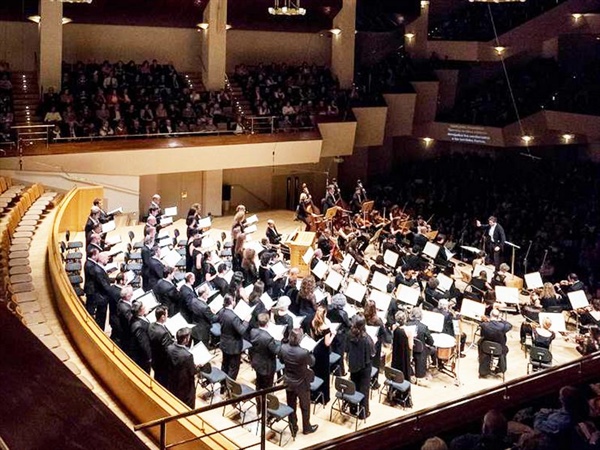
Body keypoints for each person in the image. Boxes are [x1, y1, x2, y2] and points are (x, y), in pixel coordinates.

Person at [279, 328, 318, 436]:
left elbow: (281, 360)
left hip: (289, 381)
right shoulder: (304, 352)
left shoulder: (283, 348)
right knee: (305, 406)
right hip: (302, 383)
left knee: (291, 406)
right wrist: (310, 351)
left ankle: (293, 428)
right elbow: (312, 362)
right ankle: (307, 427)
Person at [249, 313, 281, 407]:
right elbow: (276, 351)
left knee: (259, 385)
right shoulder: (268, 338)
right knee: (268, 388)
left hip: (256, 362)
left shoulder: (253, 331)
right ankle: (266, 408)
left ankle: (259, 405)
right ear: (267, 323)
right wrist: (278, 341)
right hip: (267, 366)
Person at [347, 313, 374, 419]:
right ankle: (363, 413)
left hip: (353, 365)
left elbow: (347, 349)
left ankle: (353, 409)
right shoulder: (367, 339)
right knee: (364, 390)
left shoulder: (350, 334)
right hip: (364, 368)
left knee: (354, 386)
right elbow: (372, 353)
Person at [218, 294, 249, 385]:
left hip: (224, 343)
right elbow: (242, 331)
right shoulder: (233, 317)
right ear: (232, 302)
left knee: (225, 365)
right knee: (233, 368)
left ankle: (222, 386)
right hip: (233, 347)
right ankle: (230, 387)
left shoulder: (221, 311)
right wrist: (246, 321)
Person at [307, 304, 334, 405]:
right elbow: (327, 343)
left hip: (315, 350)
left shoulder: (312, 322)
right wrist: (333, 335)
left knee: (315, 371)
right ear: (325, 314)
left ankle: (314, 394)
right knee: (324, 374)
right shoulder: (325, 327)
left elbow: (313, 336)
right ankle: (324, 398)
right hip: (323, 352)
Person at [166, 327, 196, 409]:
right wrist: (197, 366)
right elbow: (192, 372)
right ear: (185, 339)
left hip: (172, 379)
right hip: (185, 385)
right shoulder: (188, 355)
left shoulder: (169, 348)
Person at [478, 308, 512, 378]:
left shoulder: (485, 325)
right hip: (499, 348)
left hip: (486, 347)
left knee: (480, 344)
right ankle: (500, 369)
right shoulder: (503, 326)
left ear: (490, 315)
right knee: (505, 350)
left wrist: (486, 320)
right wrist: (502, 320)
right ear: (498, 316)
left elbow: (481, 328)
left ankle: (483, 369)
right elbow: (510, 325)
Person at [83, 249, 112, 330]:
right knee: (100, 319)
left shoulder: (97, 268)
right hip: (100, 297)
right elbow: (104, 285)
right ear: (102, 259)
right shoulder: (96, 269)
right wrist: (114, 290)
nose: (108, 260)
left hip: (99, 296)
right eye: (106, 258)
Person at [148, 305, 173, 388]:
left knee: (157, 376)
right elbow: (167, 349)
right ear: (162, 317)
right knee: (163, 380)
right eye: (166, 315)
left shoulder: (151, 325)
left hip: (154, 357)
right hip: (162, 361)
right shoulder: (163, 333)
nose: (167, 316)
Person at [129, 300, 152, 374]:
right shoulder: (139, 327)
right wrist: (149, 357)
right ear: (140, 310)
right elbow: (144, 343)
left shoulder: (134, 317)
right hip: (142, 357)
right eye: (144, 307)